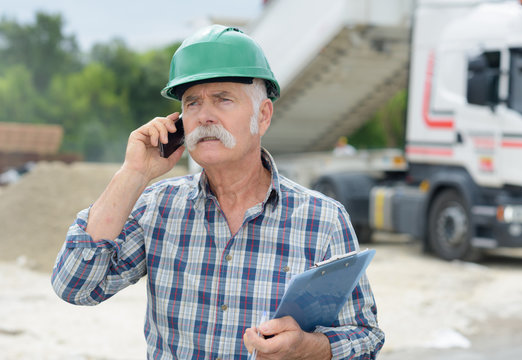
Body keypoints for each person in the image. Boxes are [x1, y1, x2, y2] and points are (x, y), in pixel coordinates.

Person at [51, 25, 384, 359]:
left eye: (223, 99)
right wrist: (133, 174)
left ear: (263, 116)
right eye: (192, 103)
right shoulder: (158, 208)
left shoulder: (322, 218)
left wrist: (309, 348)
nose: (204, 116)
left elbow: (366, 339)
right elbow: (76, 287)